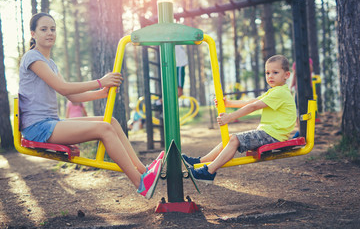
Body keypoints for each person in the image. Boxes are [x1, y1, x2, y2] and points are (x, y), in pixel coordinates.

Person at [18, 12, 163, 199]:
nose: (50, 33)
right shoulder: (33, 58)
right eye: (43, 29)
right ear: (33, 34)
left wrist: (101, 93)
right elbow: (62, 88)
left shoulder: (51, 64)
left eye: (53, 29)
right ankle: (140, 182)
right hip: (37, 127)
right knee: (104, 129)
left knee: (110, 121)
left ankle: (143, 170)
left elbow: (72, 96)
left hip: (50, 122)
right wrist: (100, 82)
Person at [182, 55, 296, 183]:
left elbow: (253, 107)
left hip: (273, 135)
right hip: (270, 133)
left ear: (286, 75)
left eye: (275, 72)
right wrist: (229, 103)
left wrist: (230, 117)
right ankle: (201, 161)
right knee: (231, 138)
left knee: (235, 139)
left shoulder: (280, 93)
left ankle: (208, 171)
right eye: (267, 73)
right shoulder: (274, 91)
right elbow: (252, 101)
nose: (270, 76)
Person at [290, 58, 313, 138]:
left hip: (307, 88)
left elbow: (310, 70)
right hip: (298, 89)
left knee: (308, 109)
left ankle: (308, 130)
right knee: (297, 110)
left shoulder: (308, 60)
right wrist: (291, 86)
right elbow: (294, 76)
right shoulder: (295, 63)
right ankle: (300, 130)